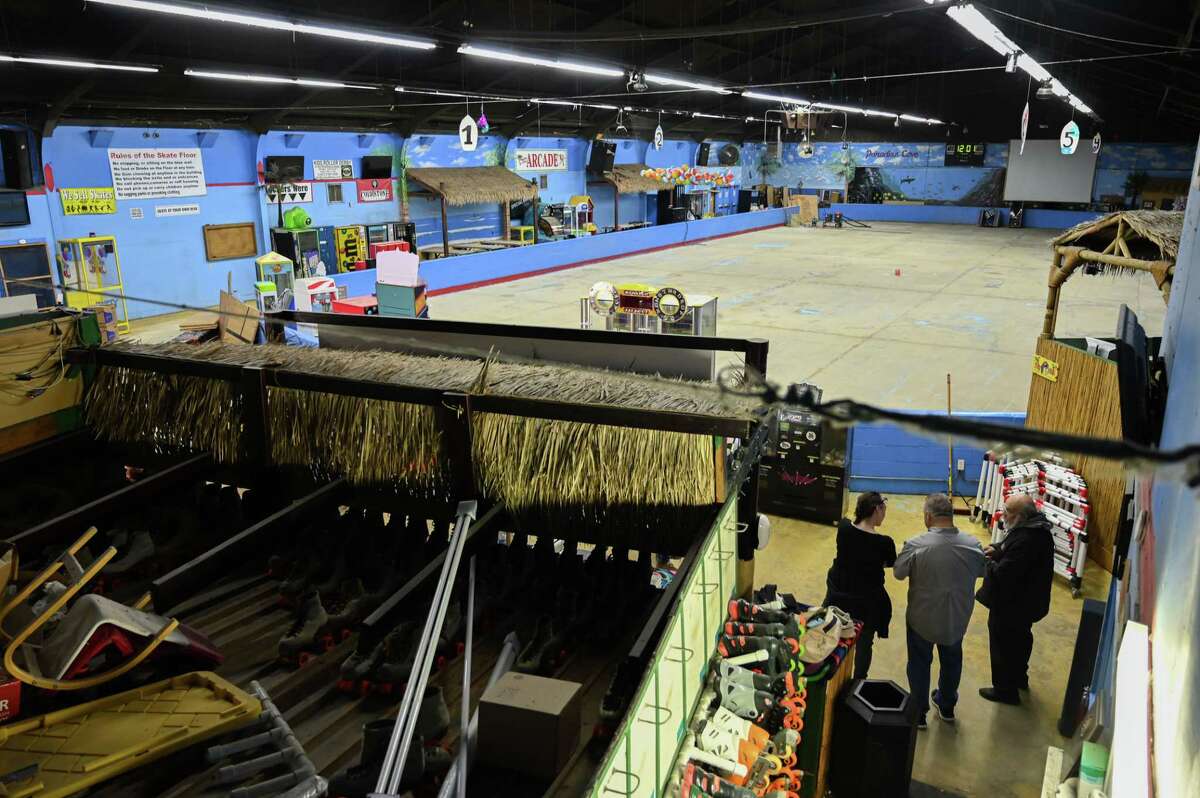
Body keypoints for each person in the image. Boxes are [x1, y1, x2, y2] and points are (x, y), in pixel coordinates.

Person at [894, 493, 986, 728]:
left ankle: (919, 713)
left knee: (919, 663)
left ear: (928, 516)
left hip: (921, 618)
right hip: (956, 619)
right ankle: (946, 707)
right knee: (952, 661)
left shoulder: (916, 545)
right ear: (952, 515)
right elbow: (982, 571)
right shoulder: (974, 546)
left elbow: (898, 573)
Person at [975, 494, 1055, 705]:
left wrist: (987, 561)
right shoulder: (1038, 530)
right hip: (1028, 602)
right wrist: (999, 548)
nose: (1003, 514)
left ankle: (1004, 690)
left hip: (1013, 604)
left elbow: (1004, 574)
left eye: (1008, 511)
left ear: (1020, 516)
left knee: (1002, 643)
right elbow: (1012, 547)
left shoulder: (1027, 539)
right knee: (1021, 639)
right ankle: (1019, 677)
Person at [823, 492, 897, 679]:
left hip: (838, 595)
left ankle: (827, 673)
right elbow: (889, 563)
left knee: (833, 635)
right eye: (884, 510)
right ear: (876, 510)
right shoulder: (884, 543)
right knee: (864, 644)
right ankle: (858, 681)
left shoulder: (844, 528)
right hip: (866, 604)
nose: (884, 514)